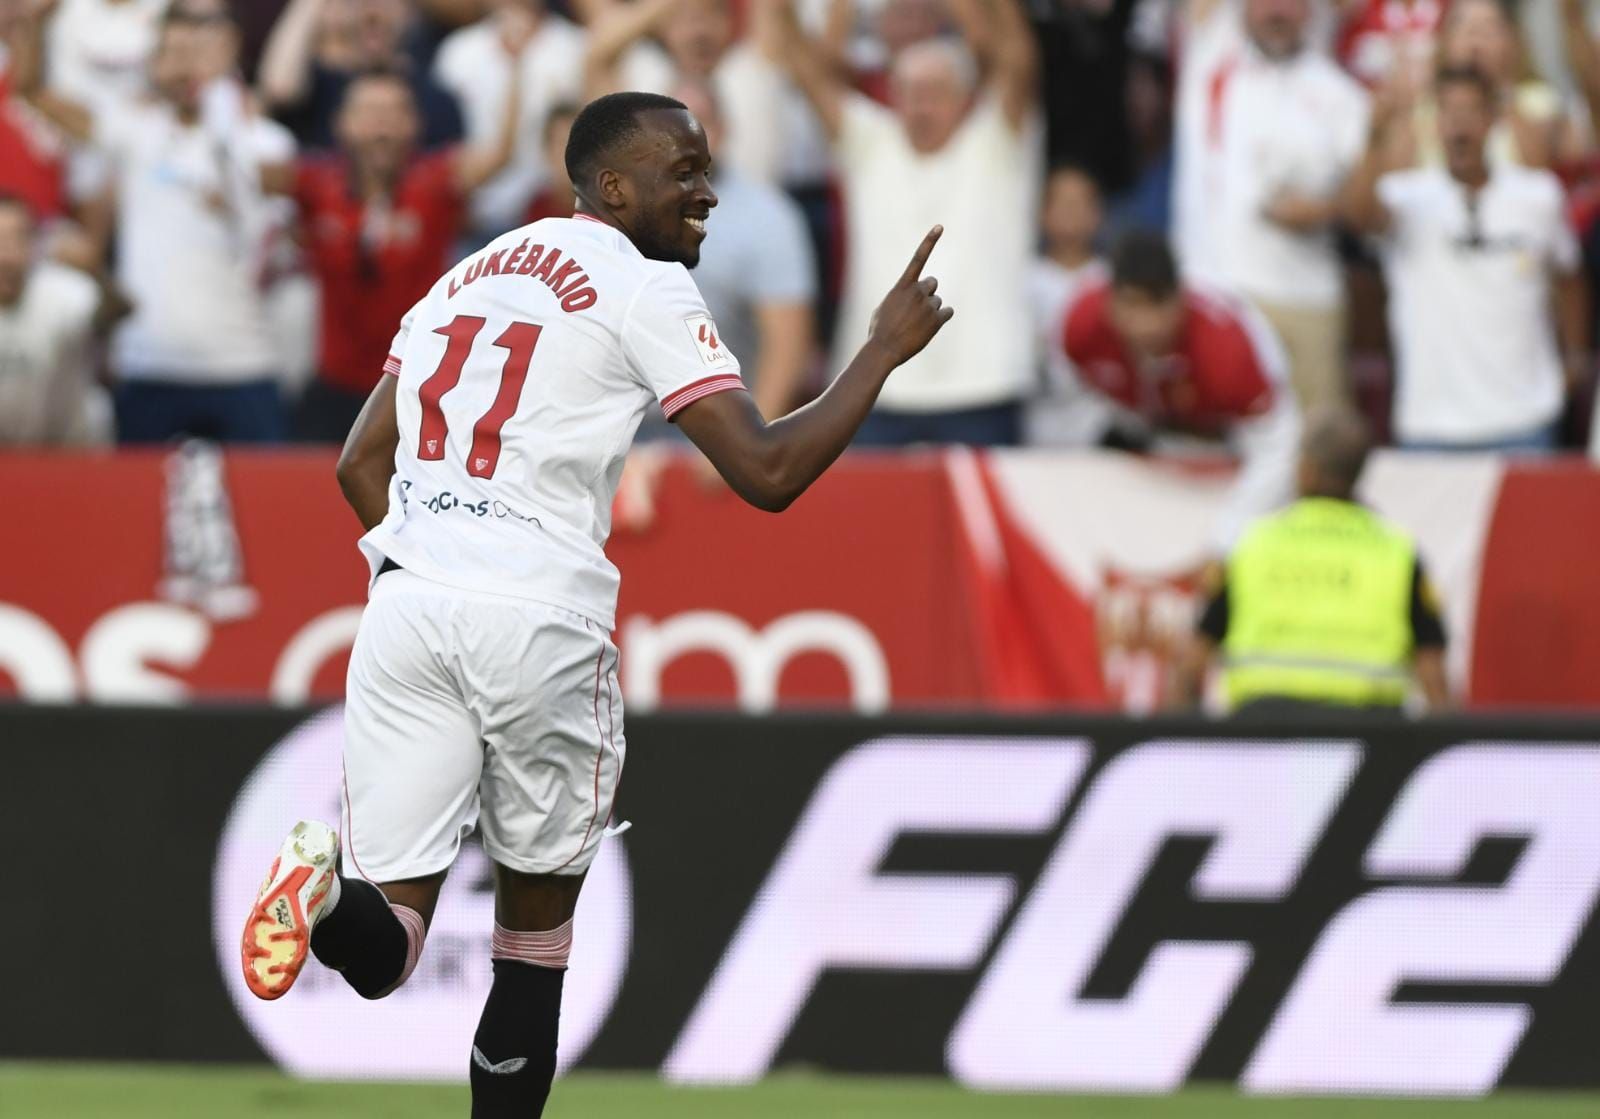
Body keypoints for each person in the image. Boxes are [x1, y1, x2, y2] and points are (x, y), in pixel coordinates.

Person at [238, 91, 952, 1118]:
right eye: (685, 170)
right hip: (534, 616)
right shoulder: (640, 285)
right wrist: (880, 345)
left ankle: (320, 893)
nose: (705, 190)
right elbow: (767, 471)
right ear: (613, 188)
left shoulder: (462, 276)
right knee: (531, 945)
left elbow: (361, 462)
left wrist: (429, 564)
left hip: (407, 604)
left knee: (384, 947)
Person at [22, 4, 300, 442]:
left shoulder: (267, 142)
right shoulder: (133, 131)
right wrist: (35, 19)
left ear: (225, 57)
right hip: (148, 365)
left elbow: (274, 188)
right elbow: (32, 91)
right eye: (170, 52)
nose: (184, 65)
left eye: (195, 51)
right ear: (151, 63)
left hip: (243, 364)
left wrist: (220, 98)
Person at [777, 0, 1040, 445]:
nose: (921, 106)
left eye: (935, 92)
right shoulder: (871, 142)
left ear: (964, 97)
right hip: (879, 390)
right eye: (911, 92)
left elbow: (1018, 55)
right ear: (892, 96)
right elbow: (802, 65)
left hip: (985, 388)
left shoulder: (996, 142)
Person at [264, 49, 526, 440]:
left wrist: (514, 66)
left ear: (414, 124)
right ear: (342, 124)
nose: (381, 127)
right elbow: (247, 164)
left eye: (393, 113)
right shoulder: (317, 184)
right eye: (369, 113)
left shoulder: (434, 182)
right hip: (335, 386)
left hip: (419, 384)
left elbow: (499, 157)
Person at [1344, 66, 1589, 451]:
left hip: (1526, 421)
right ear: (1434, 123)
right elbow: (1359, 216)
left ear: (1493, 120)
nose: (1461, 125)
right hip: (1430, 428)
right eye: (1448, 111)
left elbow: (1569, 274)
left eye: (1472, 111)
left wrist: (1575, 359)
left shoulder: (1538, 195)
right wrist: (1375, 135)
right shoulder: (1406, 197)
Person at [1171, 407, 1451, 715]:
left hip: (1264, 735)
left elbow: (1190, 668)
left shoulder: (1253, 545)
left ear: (1306, 470)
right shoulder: (1397, 553)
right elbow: (1434, 680)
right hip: (1369, 735)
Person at [1172, 0, 1370, 413]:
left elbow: (1369, 205)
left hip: (1309, 299)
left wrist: (1320, 211)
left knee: (1318, 454)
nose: (1276, 11)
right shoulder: (1209, 59)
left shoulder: (1340, 94)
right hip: (1220, 292)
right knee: (1219, 455)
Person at [1060, 228, 1301, 550]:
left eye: (1157, 306)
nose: (1145, 324)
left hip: (1230, 426)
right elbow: (1077, 401)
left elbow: (1279, 450)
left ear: (1181, 300)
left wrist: (1226, 538)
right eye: (1131, 305)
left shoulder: (1226, 350)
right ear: (1109, 302)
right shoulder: (1079, 328)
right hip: (1147, 421)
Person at [432, 0, 586, 237]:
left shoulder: (578, 45)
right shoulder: (458, 51)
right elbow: (446, 149)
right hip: (477, 223)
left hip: (556, 218)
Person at [257, 0, 464, 150]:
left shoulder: (438, 100)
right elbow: (279, 88)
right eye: (359, 2)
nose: (373, 11)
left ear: (409, 13)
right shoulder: (320, 87)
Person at [0, 194, 111, 444]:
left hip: (64, 457)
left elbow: (116, 313)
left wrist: (94, 269)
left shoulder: (65, 291)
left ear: (35, 244)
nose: (6, 255)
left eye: (16, 238)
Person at [1026, 163, 1111, 446]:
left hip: (1100, 416)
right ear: (1042, 213)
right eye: (1062, 203)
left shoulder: (1111, 280)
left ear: (1097, 214)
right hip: (1038, 417)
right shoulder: (1023, 279)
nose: (1071, 213)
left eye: (1080, 203)